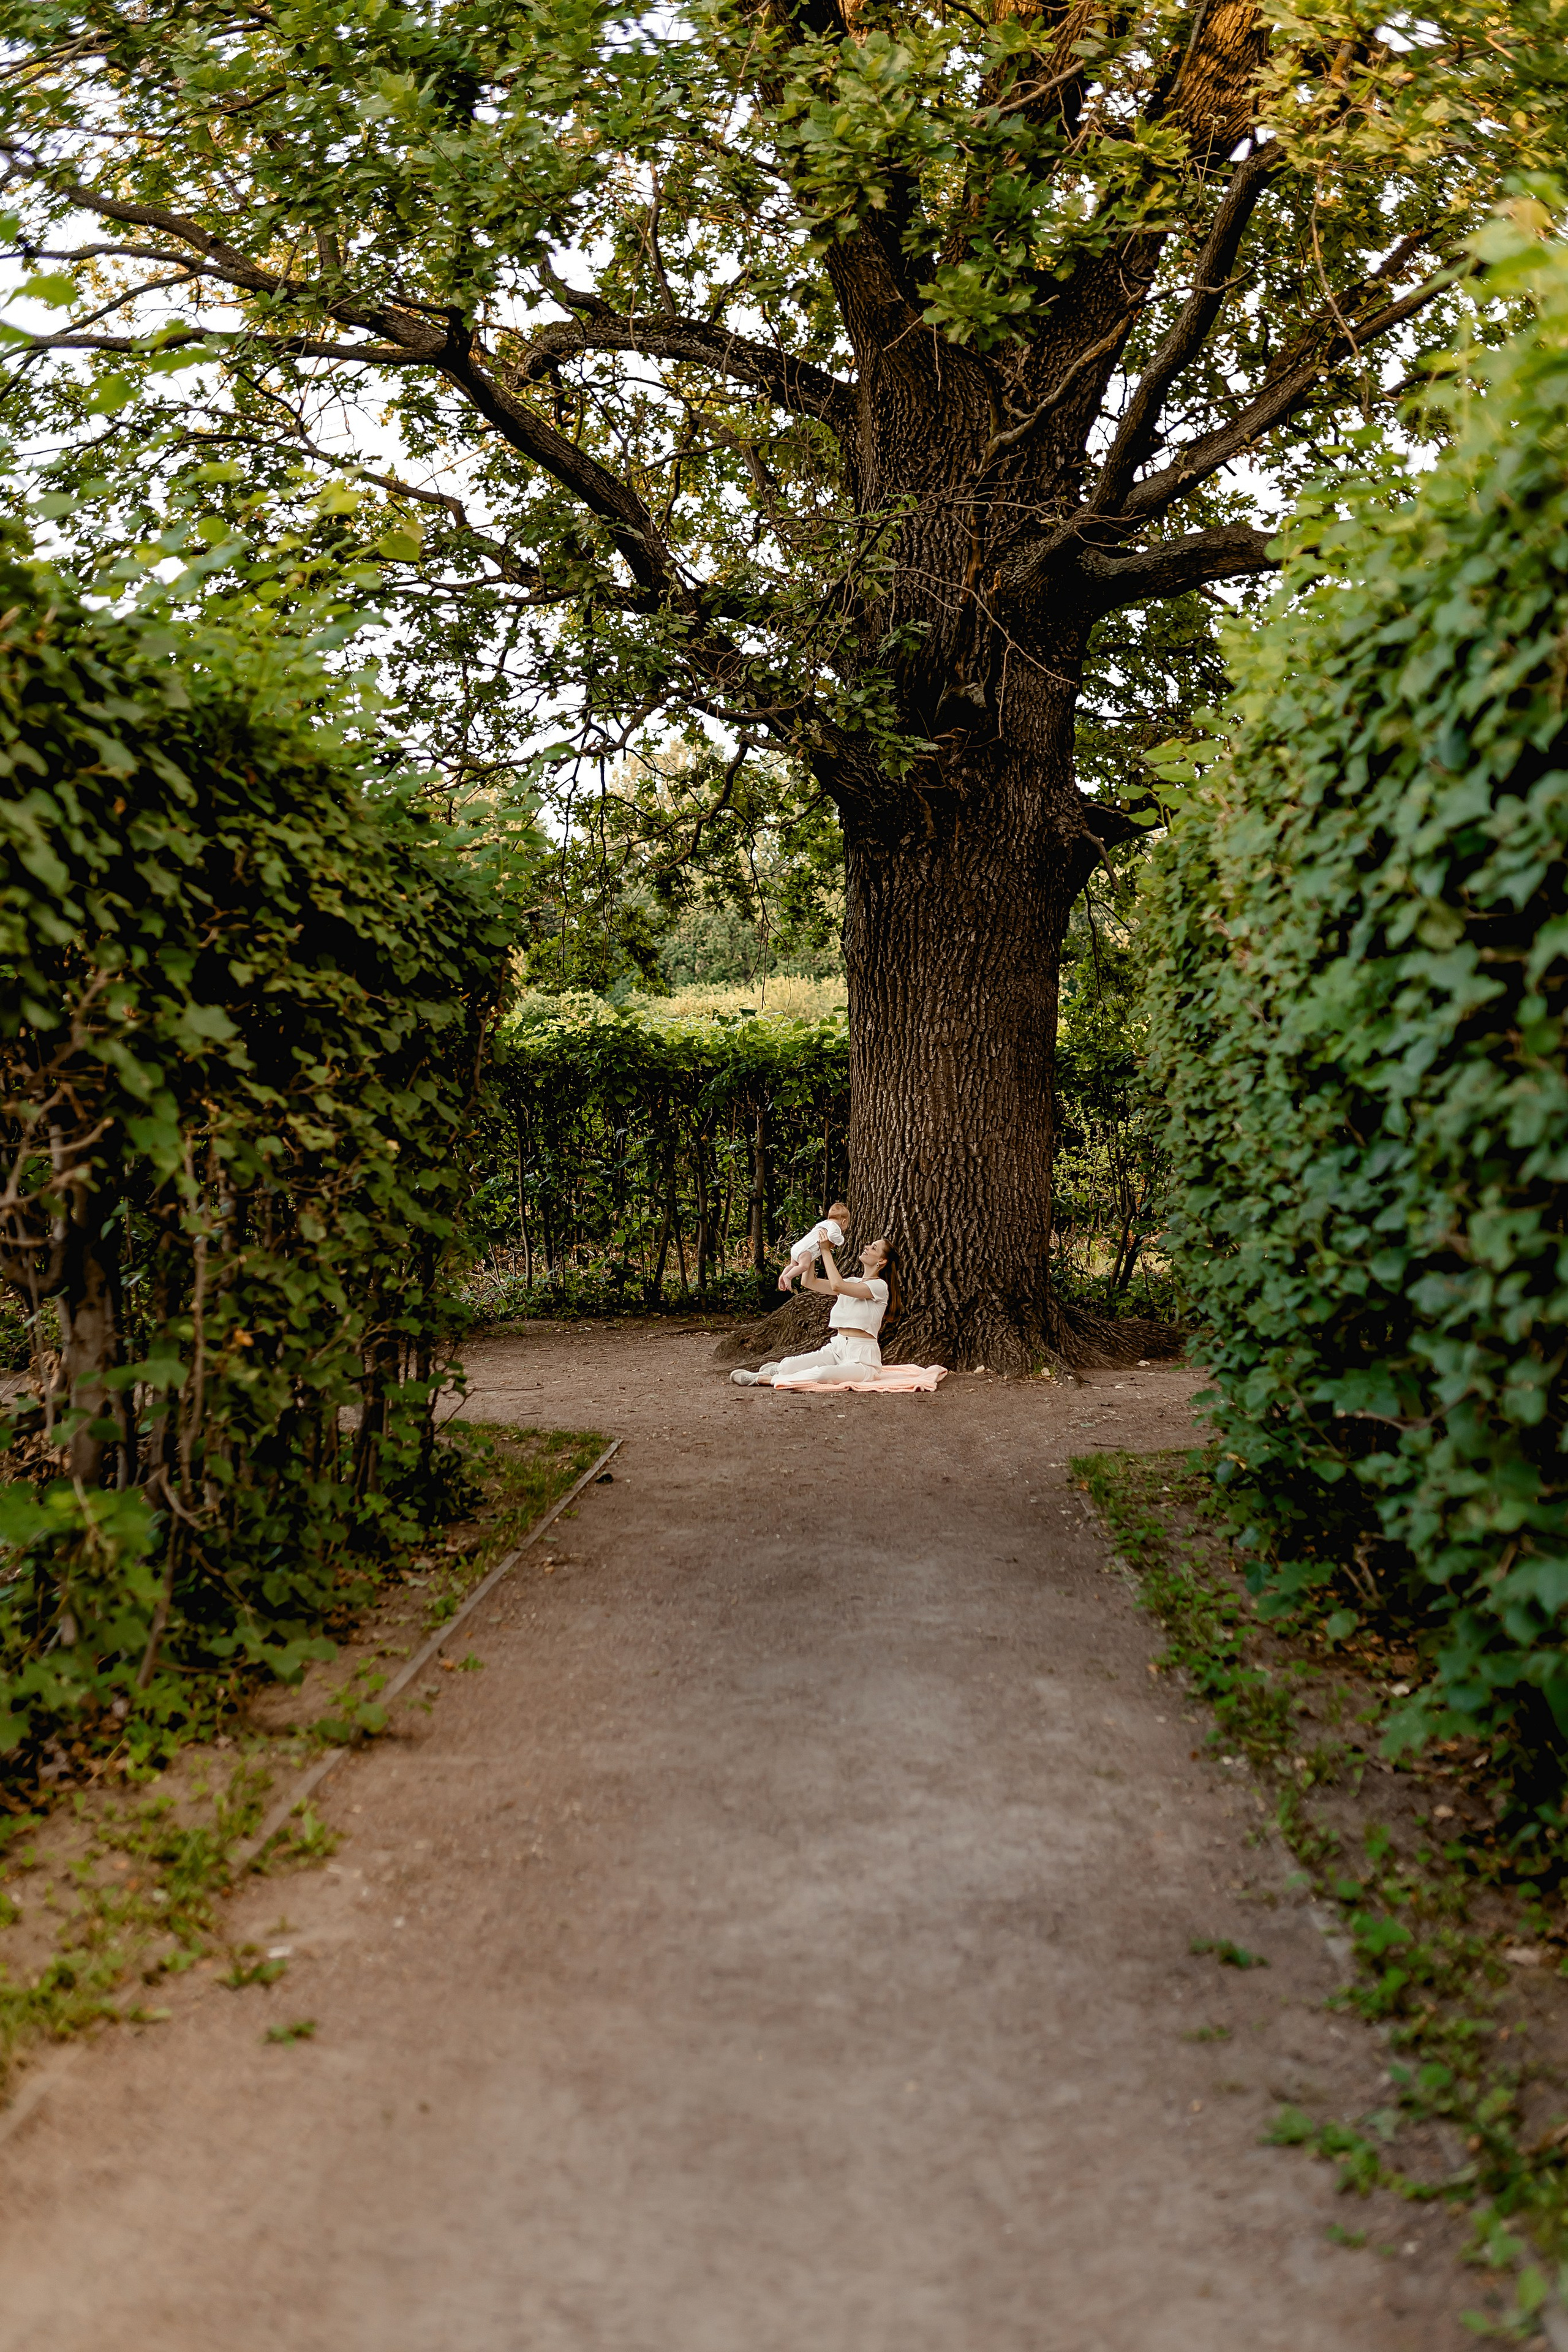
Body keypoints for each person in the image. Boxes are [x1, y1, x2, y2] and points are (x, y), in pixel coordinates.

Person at [731, 1237, 899, 1387]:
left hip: (863, 1360)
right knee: (789, 1364)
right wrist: (811, 1250)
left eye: (874, 1248)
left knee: (822, 1374)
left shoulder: (879, 1287)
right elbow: (809, 1282)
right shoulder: (852, 1282)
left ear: (882, 1261)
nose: (867, 1247)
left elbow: (837, 1286)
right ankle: (782, 1370)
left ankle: (765, 1379)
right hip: (837, 1347)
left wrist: (826, 1250)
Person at [777, 1200, 850, 1292]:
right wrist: (841, 1240)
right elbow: (832, 1235)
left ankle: (783, 1276)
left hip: (798, 1247)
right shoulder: (834, 1226)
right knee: (804, 1266)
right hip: (806, 1250)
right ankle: (788, 1277)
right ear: (844, 1222)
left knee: (793, 1265)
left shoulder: (823, 1224)